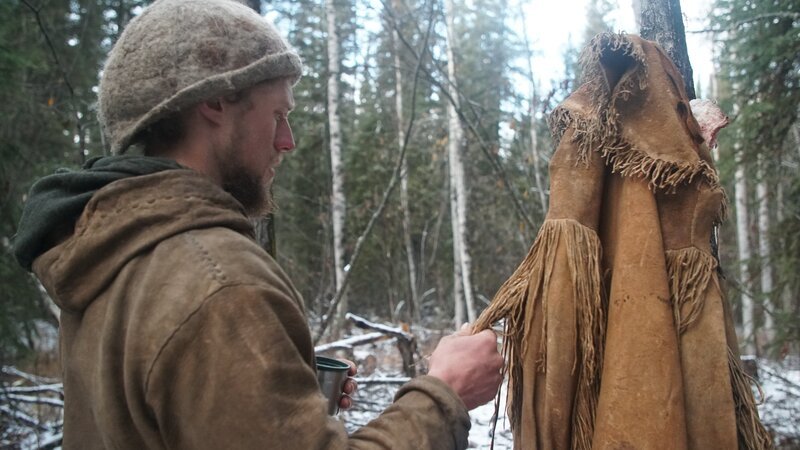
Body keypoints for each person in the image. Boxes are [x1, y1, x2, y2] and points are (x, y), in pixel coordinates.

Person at [12, 0, 504, 448]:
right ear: (216, 102)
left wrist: (275, 383)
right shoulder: (217, 281)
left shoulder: (109, 247)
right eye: (277, 116)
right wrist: (444, 394)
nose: (287, 141)